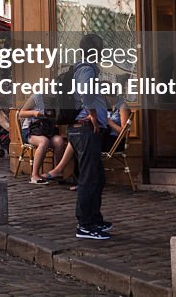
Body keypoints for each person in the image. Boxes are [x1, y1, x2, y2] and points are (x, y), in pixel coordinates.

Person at [68, 34, 112, 240]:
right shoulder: (86, 68)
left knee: (97, 176)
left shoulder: (84, 68)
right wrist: (93, 117)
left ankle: (95, 219)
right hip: (85, 128)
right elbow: (85, 94)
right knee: (88, 177)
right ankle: (85, 225)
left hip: (85, 128)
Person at [18, 92, 66, 184]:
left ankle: (56, 172)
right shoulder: (36, 97)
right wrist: (35, 113)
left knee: (59, 141)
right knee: (44, 141)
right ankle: (34, 175)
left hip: (47, 130)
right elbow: (21, 113)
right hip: (31, 130)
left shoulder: (56, 99)